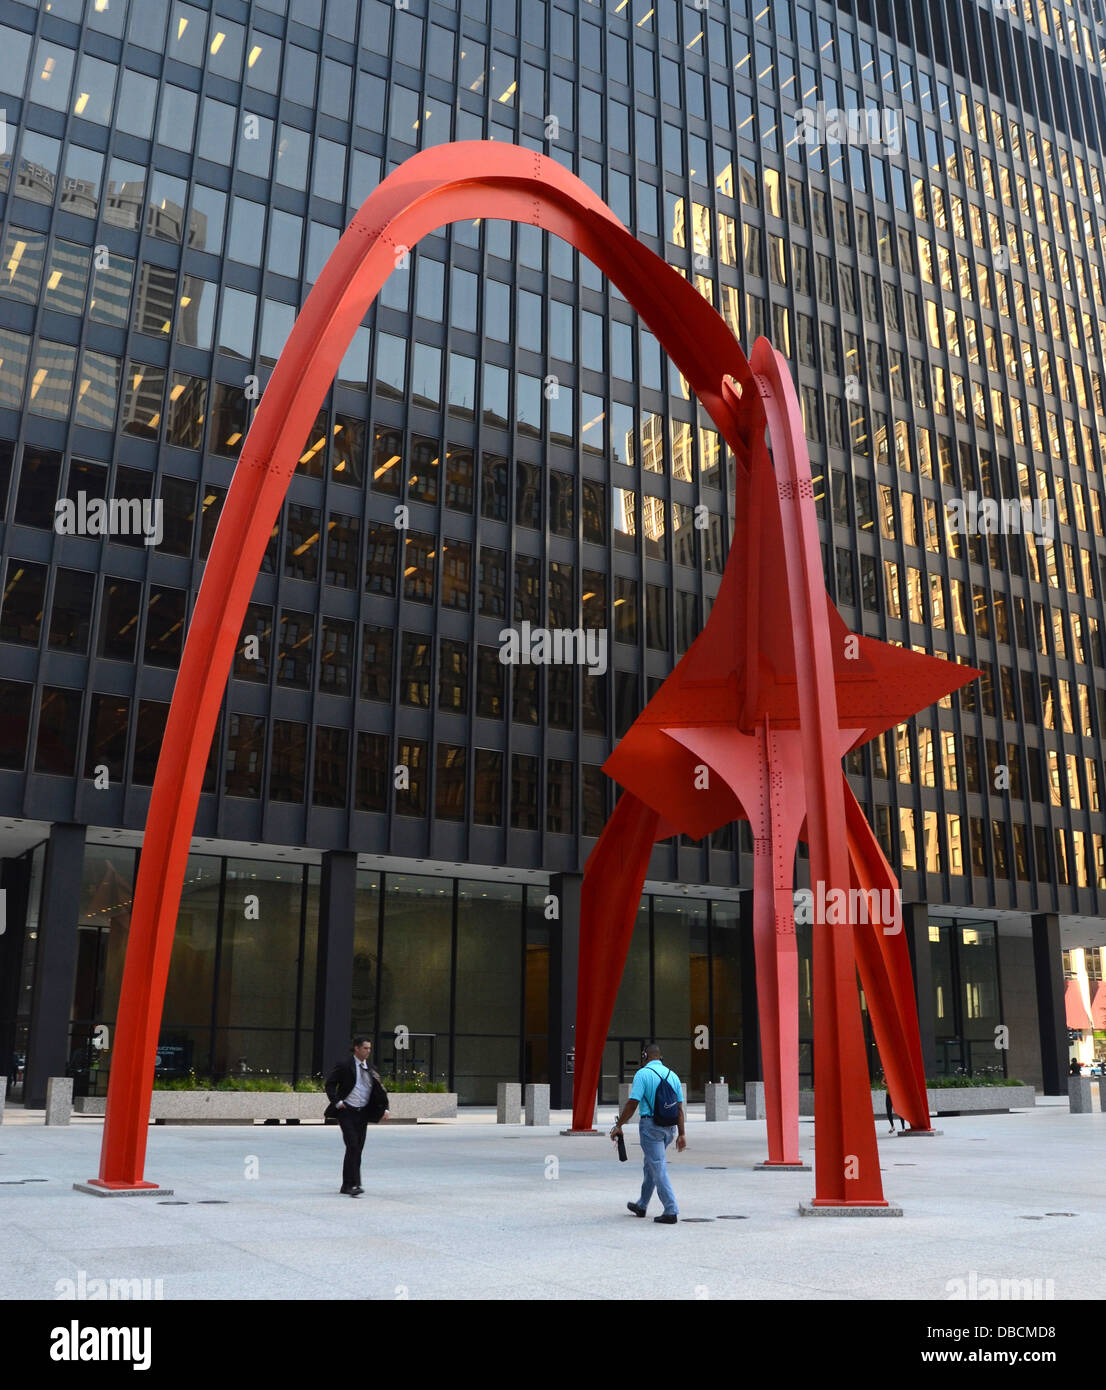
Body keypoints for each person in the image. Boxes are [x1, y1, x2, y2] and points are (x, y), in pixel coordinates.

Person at [609, 1043, 686, 1224]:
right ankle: (642, 1205)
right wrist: (682, 1134)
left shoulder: (642, 1074)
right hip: (669, 1128)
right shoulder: (672, 1075)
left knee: (657, 1165)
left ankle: (671, 1209)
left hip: (651, 1127)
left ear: (645, 1056)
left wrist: (619, 1125)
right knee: (650, 1165)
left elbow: (632, 1103)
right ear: (660, 1057)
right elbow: (680, 1109)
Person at [325, 1036, 389, 1196]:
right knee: (353, 1145)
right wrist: (337, 1102)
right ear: (357, 1048)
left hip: (363, 1113)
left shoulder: (372, 1069)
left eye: (369, 1048)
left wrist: (385, 1108)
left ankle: (349, 1184)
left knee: (357, 1148)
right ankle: (352, 1184)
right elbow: (330, 1084)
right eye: (365, 1048)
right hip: (346, 1111)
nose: (368, 1051)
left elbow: (380, 1090)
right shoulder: (345, 1065)